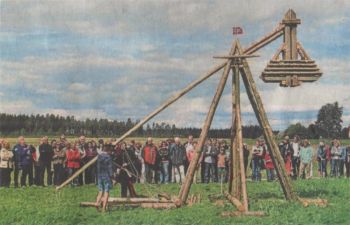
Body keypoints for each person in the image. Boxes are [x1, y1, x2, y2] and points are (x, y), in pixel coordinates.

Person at [95, 144, 113, 212]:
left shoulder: (99, 157)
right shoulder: (108, 157)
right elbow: (110, 168)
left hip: (99, 176)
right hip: (106, 176)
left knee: (100, 191)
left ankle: (97, 204)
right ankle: (103, 208)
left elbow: (98, 167)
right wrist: (112, 176)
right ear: (108, 150)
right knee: (106, 192)